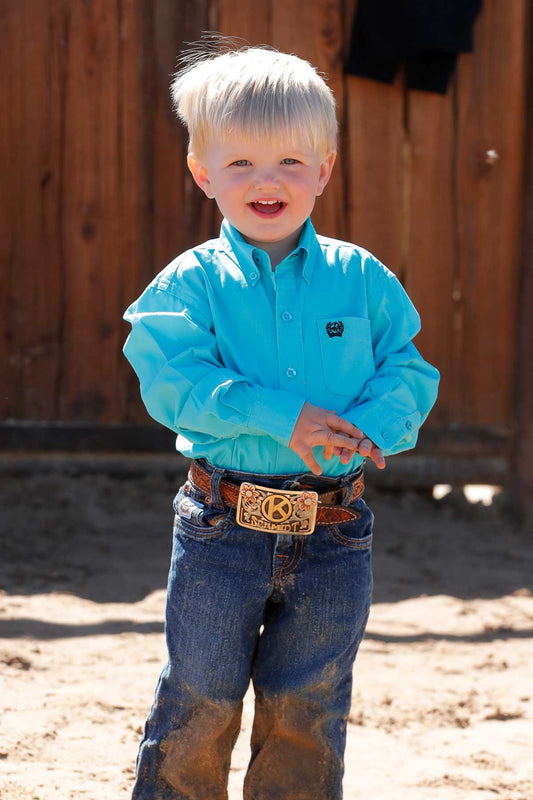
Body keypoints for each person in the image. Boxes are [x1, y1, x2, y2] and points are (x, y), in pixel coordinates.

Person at [123, 41, 439, 800]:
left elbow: (407, 368)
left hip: (334, 530)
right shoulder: (190, 284)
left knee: (310, 702)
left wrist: (377, 424)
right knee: (201, 693)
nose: (267, 181)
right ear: (203, 173)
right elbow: (171, 380)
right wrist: (283, 417)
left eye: (291, 162)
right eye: (241, 163)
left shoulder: (361, 278)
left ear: (324, 169)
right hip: (220, 527)